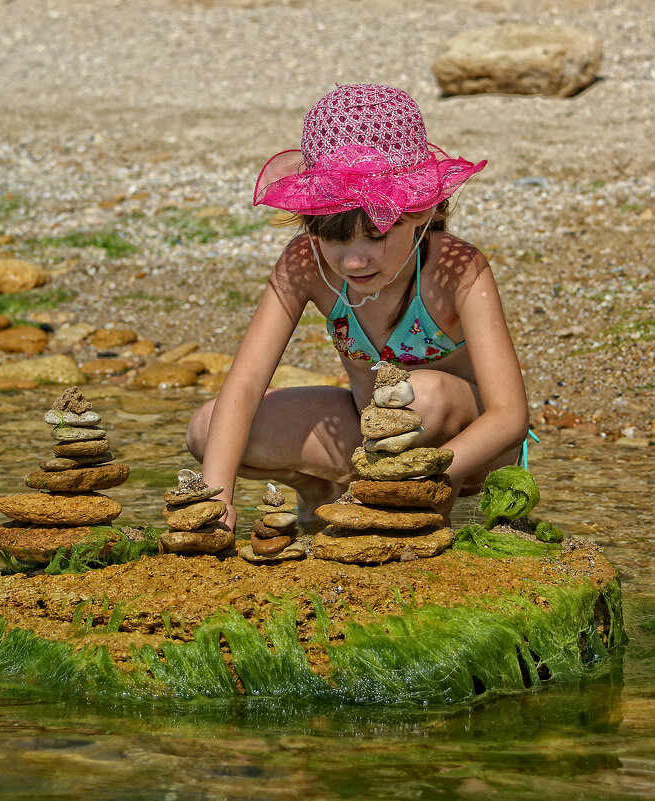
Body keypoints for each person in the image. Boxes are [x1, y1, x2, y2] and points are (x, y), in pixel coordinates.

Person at [186, 83, 529, 532]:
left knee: (418, 395)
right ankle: (321, 488)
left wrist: (418, 476)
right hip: (368, 438)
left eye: (376, 234)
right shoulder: (305, 262)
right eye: (333, 236)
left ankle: (419, 507)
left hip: (465, 450)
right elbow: (245, 386)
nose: (353, 259)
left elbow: (510, 416)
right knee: (206, 428)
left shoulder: (456, 269)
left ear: (420, 211)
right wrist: (217, 501)